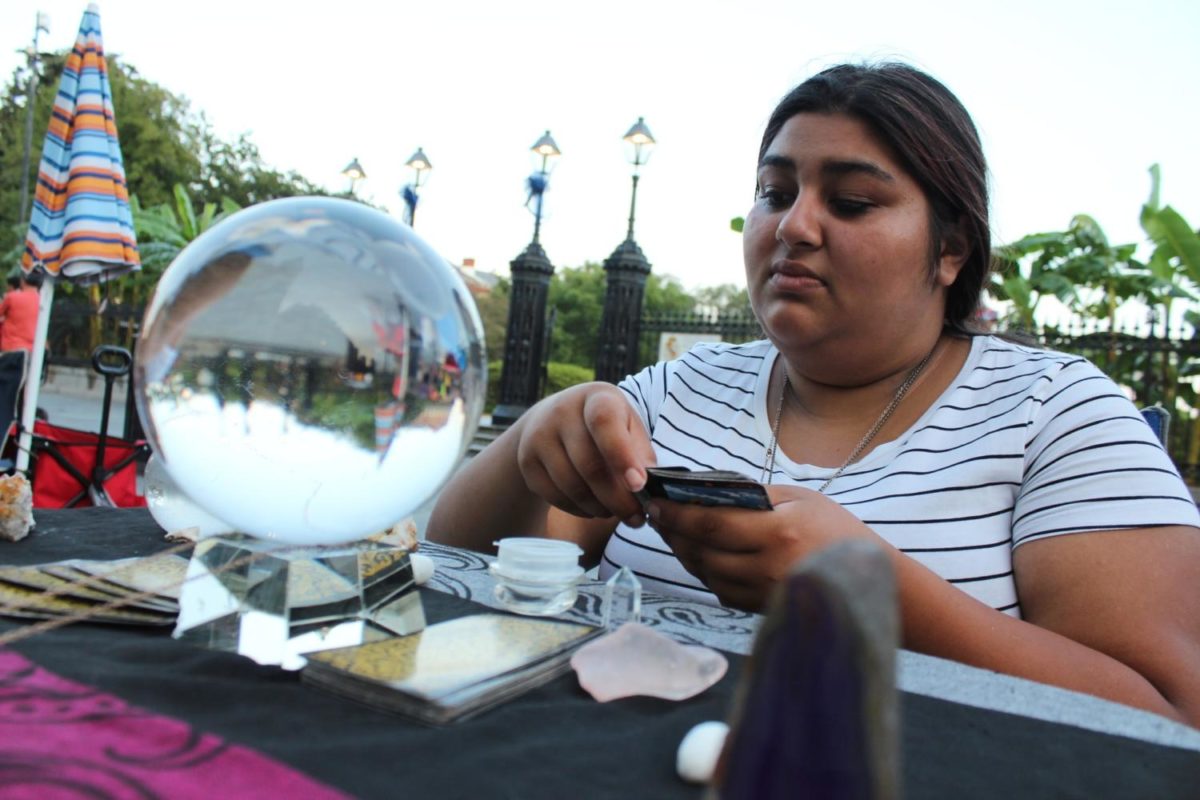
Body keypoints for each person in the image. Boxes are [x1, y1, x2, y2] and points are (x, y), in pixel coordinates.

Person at [428, 62, 1200, 727]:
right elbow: (454, 574)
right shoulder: (676, 391)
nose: (794, 225)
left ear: (952, 250)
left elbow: (1167, 718)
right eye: (774, 191)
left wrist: (879, 599)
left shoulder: (1055, 413)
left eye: (853, 202)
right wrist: (533, 444)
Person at [0, 272, 41, 353]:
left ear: (22, 281)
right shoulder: (43, 302)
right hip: (33, 350)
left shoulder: (12, 297)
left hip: (11, 347)